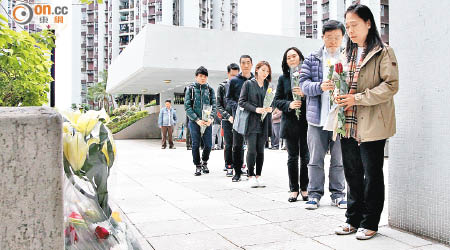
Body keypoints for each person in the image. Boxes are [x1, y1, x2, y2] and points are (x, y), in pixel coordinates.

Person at [333, 4, 399, 240]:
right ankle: (352, 219)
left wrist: (357, 98)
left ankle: (370, 222)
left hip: (372, 122)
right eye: (348, 26)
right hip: (347, 122)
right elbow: (338, 83)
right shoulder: (345, 53)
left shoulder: (384, 52)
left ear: (368, 23)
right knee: (352, 172)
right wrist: (337, 94)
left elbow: (391, 86)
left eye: (355, 25)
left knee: (372, 173)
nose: (350, 31)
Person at [300, 20, 347, 210]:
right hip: (317, 118)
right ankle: (314, 194)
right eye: (329, 37)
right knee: (315, 159)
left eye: (337, 37)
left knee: (339, 160)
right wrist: (319, 86)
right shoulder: (312, 58)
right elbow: (303, 84)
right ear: (322, 37)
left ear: (342, 37)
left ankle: (338, 194)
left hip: (339, 119)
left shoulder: (347, 57)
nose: (333, 41)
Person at [273, 47, 309, 202]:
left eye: (294, 56)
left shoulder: (308, 77)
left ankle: (305, 188)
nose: (292, 59)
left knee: (306, 157)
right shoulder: (283, 79)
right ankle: (294, 189)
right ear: (286, 62)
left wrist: (305, 95)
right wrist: (289, 104)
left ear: (300, 58)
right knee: (292, 157)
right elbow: (276, 101)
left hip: (307, 121)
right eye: (289, 58)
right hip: (290, 122)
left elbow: (316, 96)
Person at [238, 61, 273, 188]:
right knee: (252, 149)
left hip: (264, 122)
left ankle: (259, 175)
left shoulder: (268, 85)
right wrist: (255, 109)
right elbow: (241, 102)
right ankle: (250, 175)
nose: (265, 73)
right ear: (257, 70)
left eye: (267, 71)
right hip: (252, 121)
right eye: (263, 70)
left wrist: (270, 109)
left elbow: (271, 102)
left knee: (261, 150)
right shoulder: (248, 84)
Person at [184, 66, 217, 176]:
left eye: (205, 76)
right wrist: (197, 120)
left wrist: (211, 118)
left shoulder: (210, 90)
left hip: (207, 122)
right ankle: (197, 165)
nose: (203, 78)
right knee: (195, 144)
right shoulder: (191, 89)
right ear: (196, 77)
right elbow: (187, 107)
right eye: (201, 76)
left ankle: (204, 162)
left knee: (208, 144)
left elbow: (214, 105)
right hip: (195, 122)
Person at [226, 55, 254, 182]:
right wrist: (238, 106)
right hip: (239, 117)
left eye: (248, 63)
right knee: (237, 146)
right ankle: (237, 172)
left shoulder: (256, 79)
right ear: (240, 65)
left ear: (252, 64)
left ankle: (251, 172)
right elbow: (228, 98)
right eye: (243, 63)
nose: (246, 65)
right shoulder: (234, 81)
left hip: (254, 116)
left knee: (253, 146)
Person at [217, 63, 240, 177]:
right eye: (232, 75)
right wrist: (228, 116)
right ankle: (229, 165)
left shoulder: (243, 85)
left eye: (237, 76)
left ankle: (240, 165)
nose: (235, 78)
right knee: (229, 143)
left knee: (240, 144)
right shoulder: (222, 86)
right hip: (227, 120)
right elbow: (218, 106)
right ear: (228, 74)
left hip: (240, 119)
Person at [183, 86, 192, 150]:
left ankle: (191, 145)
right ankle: (188, 145)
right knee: (188, 134)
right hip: (189, 122)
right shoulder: (187, 105)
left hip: (193, 121)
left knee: (192, 134)